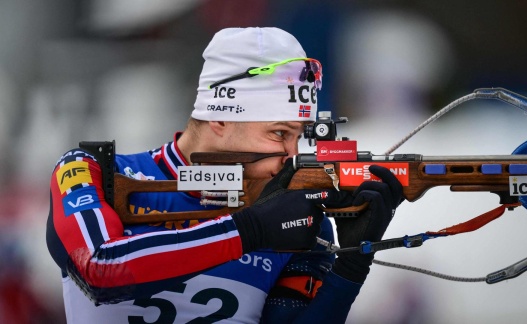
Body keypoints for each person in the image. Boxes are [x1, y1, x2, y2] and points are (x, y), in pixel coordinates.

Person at [46, 27, 404, 323]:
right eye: (279, 134)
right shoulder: (92, 171)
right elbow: (99, 268)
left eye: (299, 137)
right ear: (219, 118)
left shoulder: (293, 217)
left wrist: (352, 266)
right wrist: (250, 230)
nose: (291, 157)